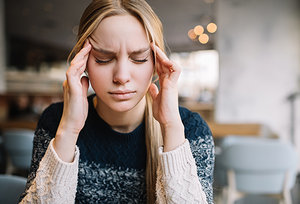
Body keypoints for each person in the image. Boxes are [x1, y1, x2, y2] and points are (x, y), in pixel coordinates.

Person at [19, 0, 214, 203]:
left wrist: (171, 127)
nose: (121, 76)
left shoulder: (191, 130)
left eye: (139, 58)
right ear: (83, 62)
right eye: (103, 58)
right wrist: (68, 130)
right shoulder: (56, 121)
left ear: (158, 63)